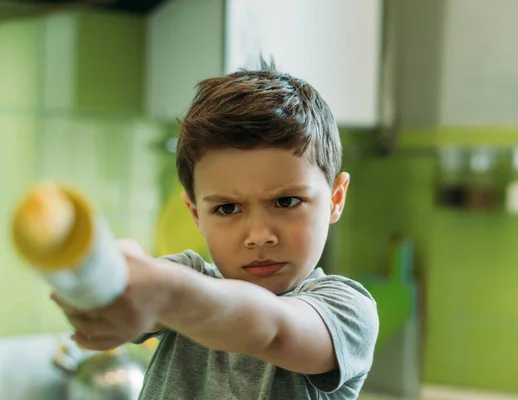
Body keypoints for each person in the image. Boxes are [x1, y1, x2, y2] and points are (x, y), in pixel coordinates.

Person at [52, 59, 379, 399]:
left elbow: (271, 329)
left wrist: (164, 292)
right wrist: (105, 290)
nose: (259, 235)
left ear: (335, 199)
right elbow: (134, 295)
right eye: (227, 208)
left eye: (286, 202)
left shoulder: (347, 311)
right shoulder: (189, 277)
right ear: (195, 214)